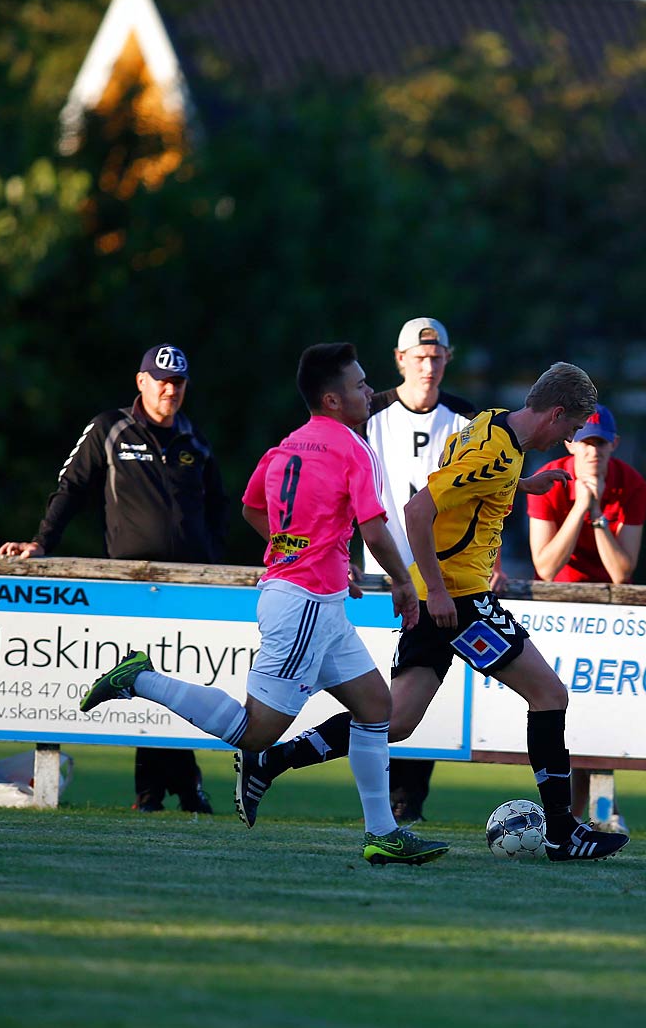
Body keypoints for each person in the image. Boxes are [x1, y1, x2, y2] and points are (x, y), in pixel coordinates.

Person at [236, 363, 630, 863]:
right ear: (555, 413)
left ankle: (270, 760)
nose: (570, 439)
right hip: (459, 600)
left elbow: (460, 483)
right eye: (571, 429)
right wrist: (441, 593)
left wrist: (523, 485)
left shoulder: (489, 425)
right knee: (549, 694)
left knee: (395, 720)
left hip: (437, 597)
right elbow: (419, 511)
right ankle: (561, 831)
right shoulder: (491, 452)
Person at [76, 343, 446, 864]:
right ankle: (140, 679)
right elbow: (376, 528)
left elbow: (253, 508)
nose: (369, 390)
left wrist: (321, 555)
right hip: (305, 606)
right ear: (332, 399)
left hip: (315, 600)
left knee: (376, 707)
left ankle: (382, 833)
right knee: (256, 733)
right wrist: (404, 583)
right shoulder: (352, 447)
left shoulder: (288, 445)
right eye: (359, 384)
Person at [0, 344, 227, 814]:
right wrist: (42, 542)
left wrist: (217, 566)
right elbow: (72, 487)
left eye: (178, 381)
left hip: (189, 588)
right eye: (161, 380)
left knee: (177, 686)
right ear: (141, 381)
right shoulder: (111, 428)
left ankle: (167, 791)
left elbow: (219, 510)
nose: (170, 388)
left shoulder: (196, 441)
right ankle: (172, 790)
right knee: (148, 683)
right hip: (135, 584)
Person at [361, 317, 487, 825]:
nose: (429, 365)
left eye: (437, 357)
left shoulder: (466, 419)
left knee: (420, 688)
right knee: (375, 694)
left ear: (448, 358)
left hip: (442, 578)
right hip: (376, 575)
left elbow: (484, 498)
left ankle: (407, 804)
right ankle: (373, 799)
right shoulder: (368, 412)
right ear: (400, 359)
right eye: (419, 356)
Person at [526, 403, 646, 832]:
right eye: (584, 441)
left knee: (603, 714)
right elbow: (545, 564)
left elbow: (621, 571)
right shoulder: (551, 477)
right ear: (569, 443)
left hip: (610, 617)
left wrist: (595, 513)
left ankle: (599, 811)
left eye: (600, 442)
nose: (592, 450)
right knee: (562, 711)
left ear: (614, 444)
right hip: (563, 614)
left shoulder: (631, 484)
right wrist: (577, 507)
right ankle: (571, 813)